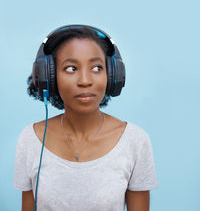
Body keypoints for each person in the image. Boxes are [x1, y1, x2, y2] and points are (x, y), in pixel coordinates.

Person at [14, 24, 158, 211]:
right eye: (71, 68)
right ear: (47, 76)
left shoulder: (135, 141)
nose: (85, 80)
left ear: (113, 75)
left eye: (97, 67)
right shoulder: (30, 139)